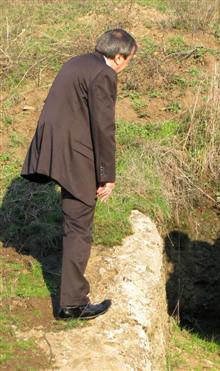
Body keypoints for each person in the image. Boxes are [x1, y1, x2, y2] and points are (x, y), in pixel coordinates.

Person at [21, 29, 137, 320]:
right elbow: (104, 128)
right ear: (119, 56)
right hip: (75, 153)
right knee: (80, 226)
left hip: (53, 147)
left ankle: (72, 297)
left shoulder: (76, 62)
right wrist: (106, 175)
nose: (127, 66)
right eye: (129, 60)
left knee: (74, 219)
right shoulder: (104, 74)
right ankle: (73, 303)